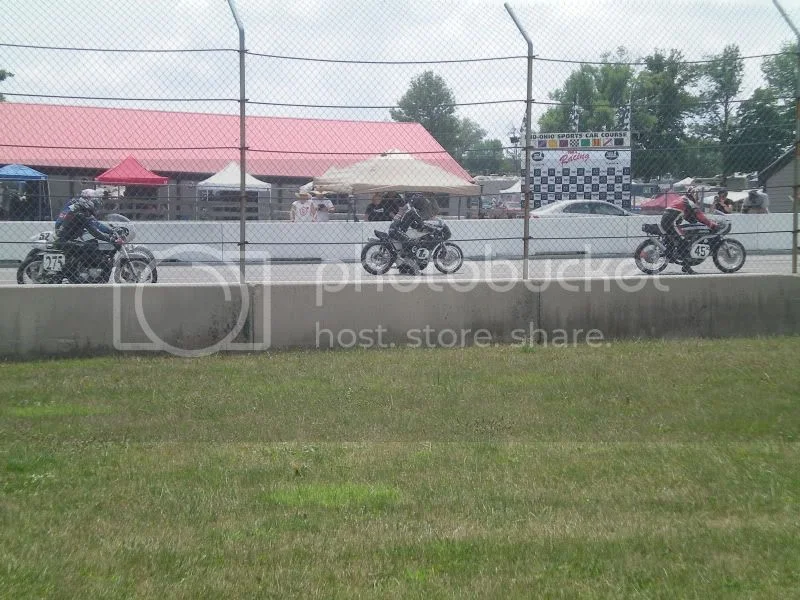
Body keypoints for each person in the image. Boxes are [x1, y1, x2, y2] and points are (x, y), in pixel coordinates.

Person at [53, 189, 123, 274]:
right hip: (65, 240)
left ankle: (81, 270)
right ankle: (73, 273)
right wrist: (111, 239)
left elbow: (96, 224)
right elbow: (94, 232)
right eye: (95, 202)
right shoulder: (79, 213)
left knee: (93, 243)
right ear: (88, 201)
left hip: (66, 238)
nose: (96, 206)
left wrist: (111, 231)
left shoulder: (80, 210)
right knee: (90, 248)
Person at [660, 186, 718, 274]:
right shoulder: (689, 202)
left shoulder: (684, 200)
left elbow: (689, 217)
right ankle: (687, 267)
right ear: (693, 194)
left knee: (678, 240)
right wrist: (710, 224)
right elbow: (699, 215)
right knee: (683, 242)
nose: (698, 196)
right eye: (697, 194)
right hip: (671, 223)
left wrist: (697, 222)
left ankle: (673, 256)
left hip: (668, 222)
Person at [388, 193, 436, 274]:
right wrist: (430, 228)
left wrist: (420, 227)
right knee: (411, 244)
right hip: (397, 230)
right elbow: (421, 223)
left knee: (408, 245)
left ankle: (403, 268)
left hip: (396, 229)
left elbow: (413, 224)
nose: (424, 206)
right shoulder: (413, 210)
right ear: (419, 203)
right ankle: (413, 268)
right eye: (423, 203)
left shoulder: (408, 208)